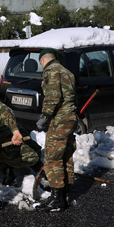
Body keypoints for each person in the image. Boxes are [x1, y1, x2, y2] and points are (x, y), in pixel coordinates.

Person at [34, 48, 77, 213]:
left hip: (59, 120)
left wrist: (44, 116)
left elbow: (53, 96)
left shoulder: (51, 71)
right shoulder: (68, 72)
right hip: (70, 118)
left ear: (43, 60)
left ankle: (57, 200)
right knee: (66, 155)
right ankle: (65, 193)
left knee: (52, 158)